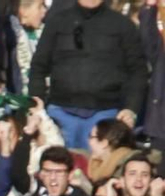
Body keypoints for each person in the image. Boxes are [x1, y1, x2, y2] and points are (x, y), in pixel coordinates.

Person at [29, 0, 146, 148]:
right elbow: (38, 66)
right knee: (57, 167)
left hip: (105, 115)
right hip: (60, 113)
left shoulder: (122, 25)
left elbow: (138, 71)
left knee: (97, 170)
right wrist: (36, 104)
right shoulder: (58, 22)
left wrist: (131, 108)